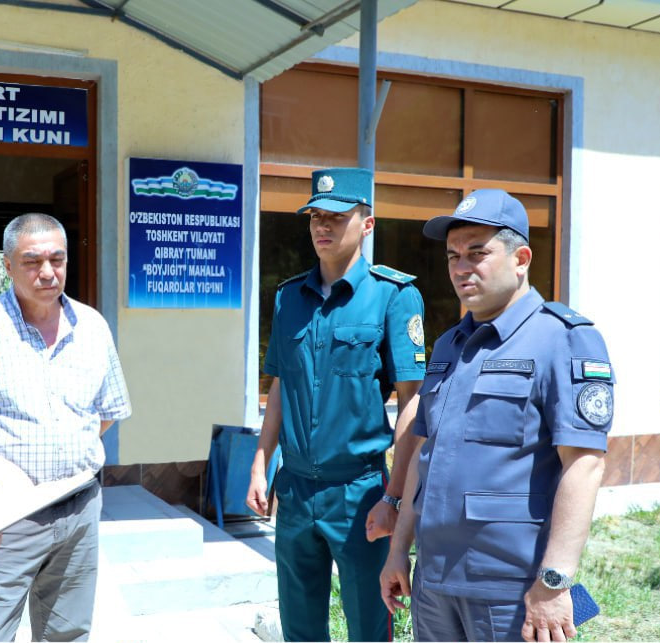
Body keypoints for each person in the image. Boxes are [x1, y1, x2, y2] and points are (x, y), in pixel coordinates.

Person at [379, 188, 614, 642]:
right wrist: (398, 551)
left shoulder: (564, 339)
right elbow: (424, 457)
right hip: (433, 583)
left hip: (513, 589)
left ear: (520, 258)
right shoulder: (449, 345)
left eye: (477, 253)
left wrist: (554, 583)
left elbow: (584, 464)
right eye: (453, 256)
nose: (460, 267)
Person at [0, 213, 132, 642]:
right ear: (8, 266)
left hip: (80, 507)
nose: (47, 272)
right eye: (32, 261)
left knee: (68, 633)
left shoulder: (92, 327)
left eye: (57, 259)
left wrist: (67, 450)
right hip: (6, 518)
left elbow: (107, 411)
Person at [246, 167, 426, 641]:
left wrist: (394, 497)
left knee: (368, 624)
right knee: (300, 626)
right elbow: (281, 385)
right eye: (315, 217)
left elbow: (412, 402)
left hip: (359, 492)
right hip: (295, 489)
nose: (322, 226)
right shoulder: (289, 298)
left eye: (336, 217)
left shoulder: (393, 296)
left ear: (367, 224)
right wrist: (260, 464)